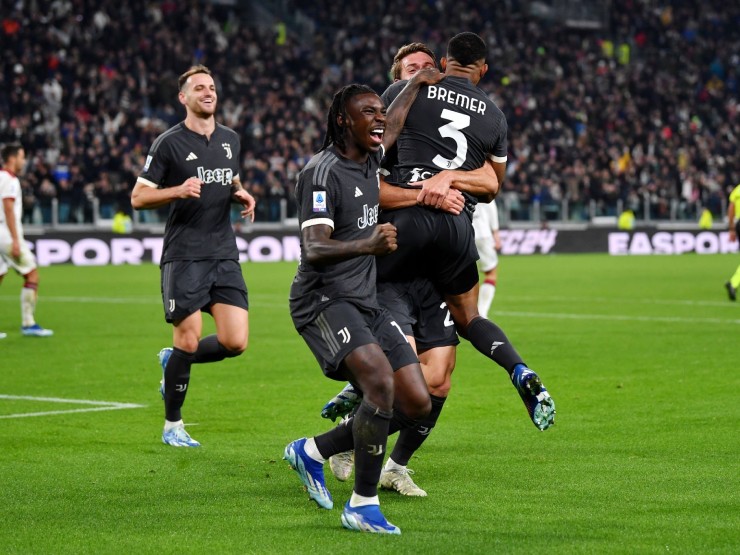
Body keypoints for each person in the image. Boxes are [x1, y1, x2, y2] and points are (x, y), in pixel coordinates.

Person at [283, 72, 442, 535]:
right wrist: (368, 244)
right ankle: (362, 505)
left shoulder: (372, 157)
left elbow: (395, 122)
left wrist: (417, 81)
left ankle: (312, 451)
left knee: (417, 402)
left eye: (380, 112)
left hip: (365, 300)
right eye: (367, 112)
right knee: (379, 384)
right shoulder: (320, 172)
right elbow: (314, 247)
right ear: (342, 120)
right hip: (322, 299)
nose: (379, 119)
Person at [131, 65, 256, 448]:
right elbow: (138, 197)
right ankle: (173, 425)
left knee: (236, 341)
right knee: (188, 339)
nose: (208, 92)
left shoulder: (230, 139)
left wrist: (240, 193)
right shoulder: (168, 143)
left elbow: (230, 178)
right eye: (199, 88)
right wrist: (177, 190)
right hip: (184, 255)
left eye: (212, 87)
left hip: (224, 253)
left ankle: (172, 361)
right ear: (183, 98)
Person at [0, 143, 54, 338]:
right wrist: (15, 240)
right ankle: (28, 323)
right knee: (32, 275)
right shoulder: (10, 179)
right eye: (22, 157)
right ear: (12, 158)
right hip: (6, 233)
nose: (24, 161)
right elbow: (8, 209)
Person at [473, 198, 502, 318]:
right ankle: (482, 313)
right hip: (483, 233)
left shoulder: (458, 186)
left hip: (464, 233)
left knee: (465, 275)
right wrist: (496, 233)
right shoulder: (483, 187)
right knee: (491, 273)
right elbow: (491, 207)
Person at [725, 182, 740, 301]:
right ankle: (734, 283)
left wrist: (731, 229)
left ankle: (734, 283)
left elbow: (731, 209)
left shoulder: (737, 190)